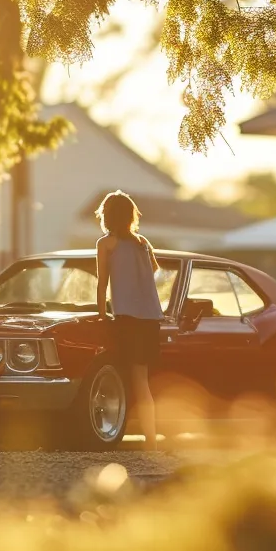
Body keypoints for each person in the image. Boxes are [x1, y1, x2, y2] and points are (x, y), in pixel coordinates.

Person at [94, 190, 164, 451]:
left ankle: (136, 437)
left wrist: (102, 316)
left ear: (107, 217)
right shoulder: (142, 242)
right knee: (141, 379)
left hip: (128, 319)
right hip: (150, 318)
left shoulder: (106, 244)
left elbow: (102, 284)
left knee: (127, 378)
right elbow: (155, 269)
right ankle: (150, 438)